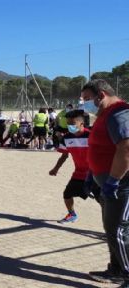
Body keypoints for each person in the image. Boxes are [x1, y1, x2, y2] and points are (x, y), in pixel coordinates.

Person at [80, 80, 129, 285]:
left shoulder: (119, 114)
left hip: (121, 185)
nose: (84, 104)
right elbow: (101, 148)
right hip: (105, 183)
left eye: (87, 99)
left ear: (101, 95)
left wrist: (112, 181)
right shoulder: (102, 115)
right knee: (111, 229)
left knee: (119, 230)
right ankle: (116, 269)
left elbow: (126, 148)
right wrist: (92, 175)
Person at [48, 110, 97, 223]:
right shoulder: (66, 138)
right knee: (67, 194)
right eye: (68, 124)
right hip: (79, 174)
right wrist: (55, 169)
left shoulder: (91, 136)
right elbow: (64, 156)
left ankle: (113, 225)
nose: (70, 126)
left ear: (81, 123)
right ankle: (72, 214)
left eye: (72, 124)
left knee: (104, 200)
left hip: (95, 174)